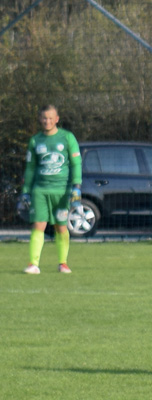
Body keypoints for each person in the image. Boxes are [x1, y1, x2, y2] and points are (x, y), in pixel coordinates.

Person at [19, 105, 81, 275]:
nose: (47, 121)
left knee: (60, 227)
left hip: (61, 191)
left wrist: (77, 186)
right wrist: (26, 190)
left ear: (57, 119)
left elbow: (76, 163)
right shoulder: (35, 140)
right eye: (44, 118)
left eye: (50, 118)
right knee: (38, 225)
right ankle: (33, 264)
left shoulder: (67, 137)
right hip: (40, 190)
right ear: (40, 119)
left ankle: (63, 263)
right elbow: (30, 168)